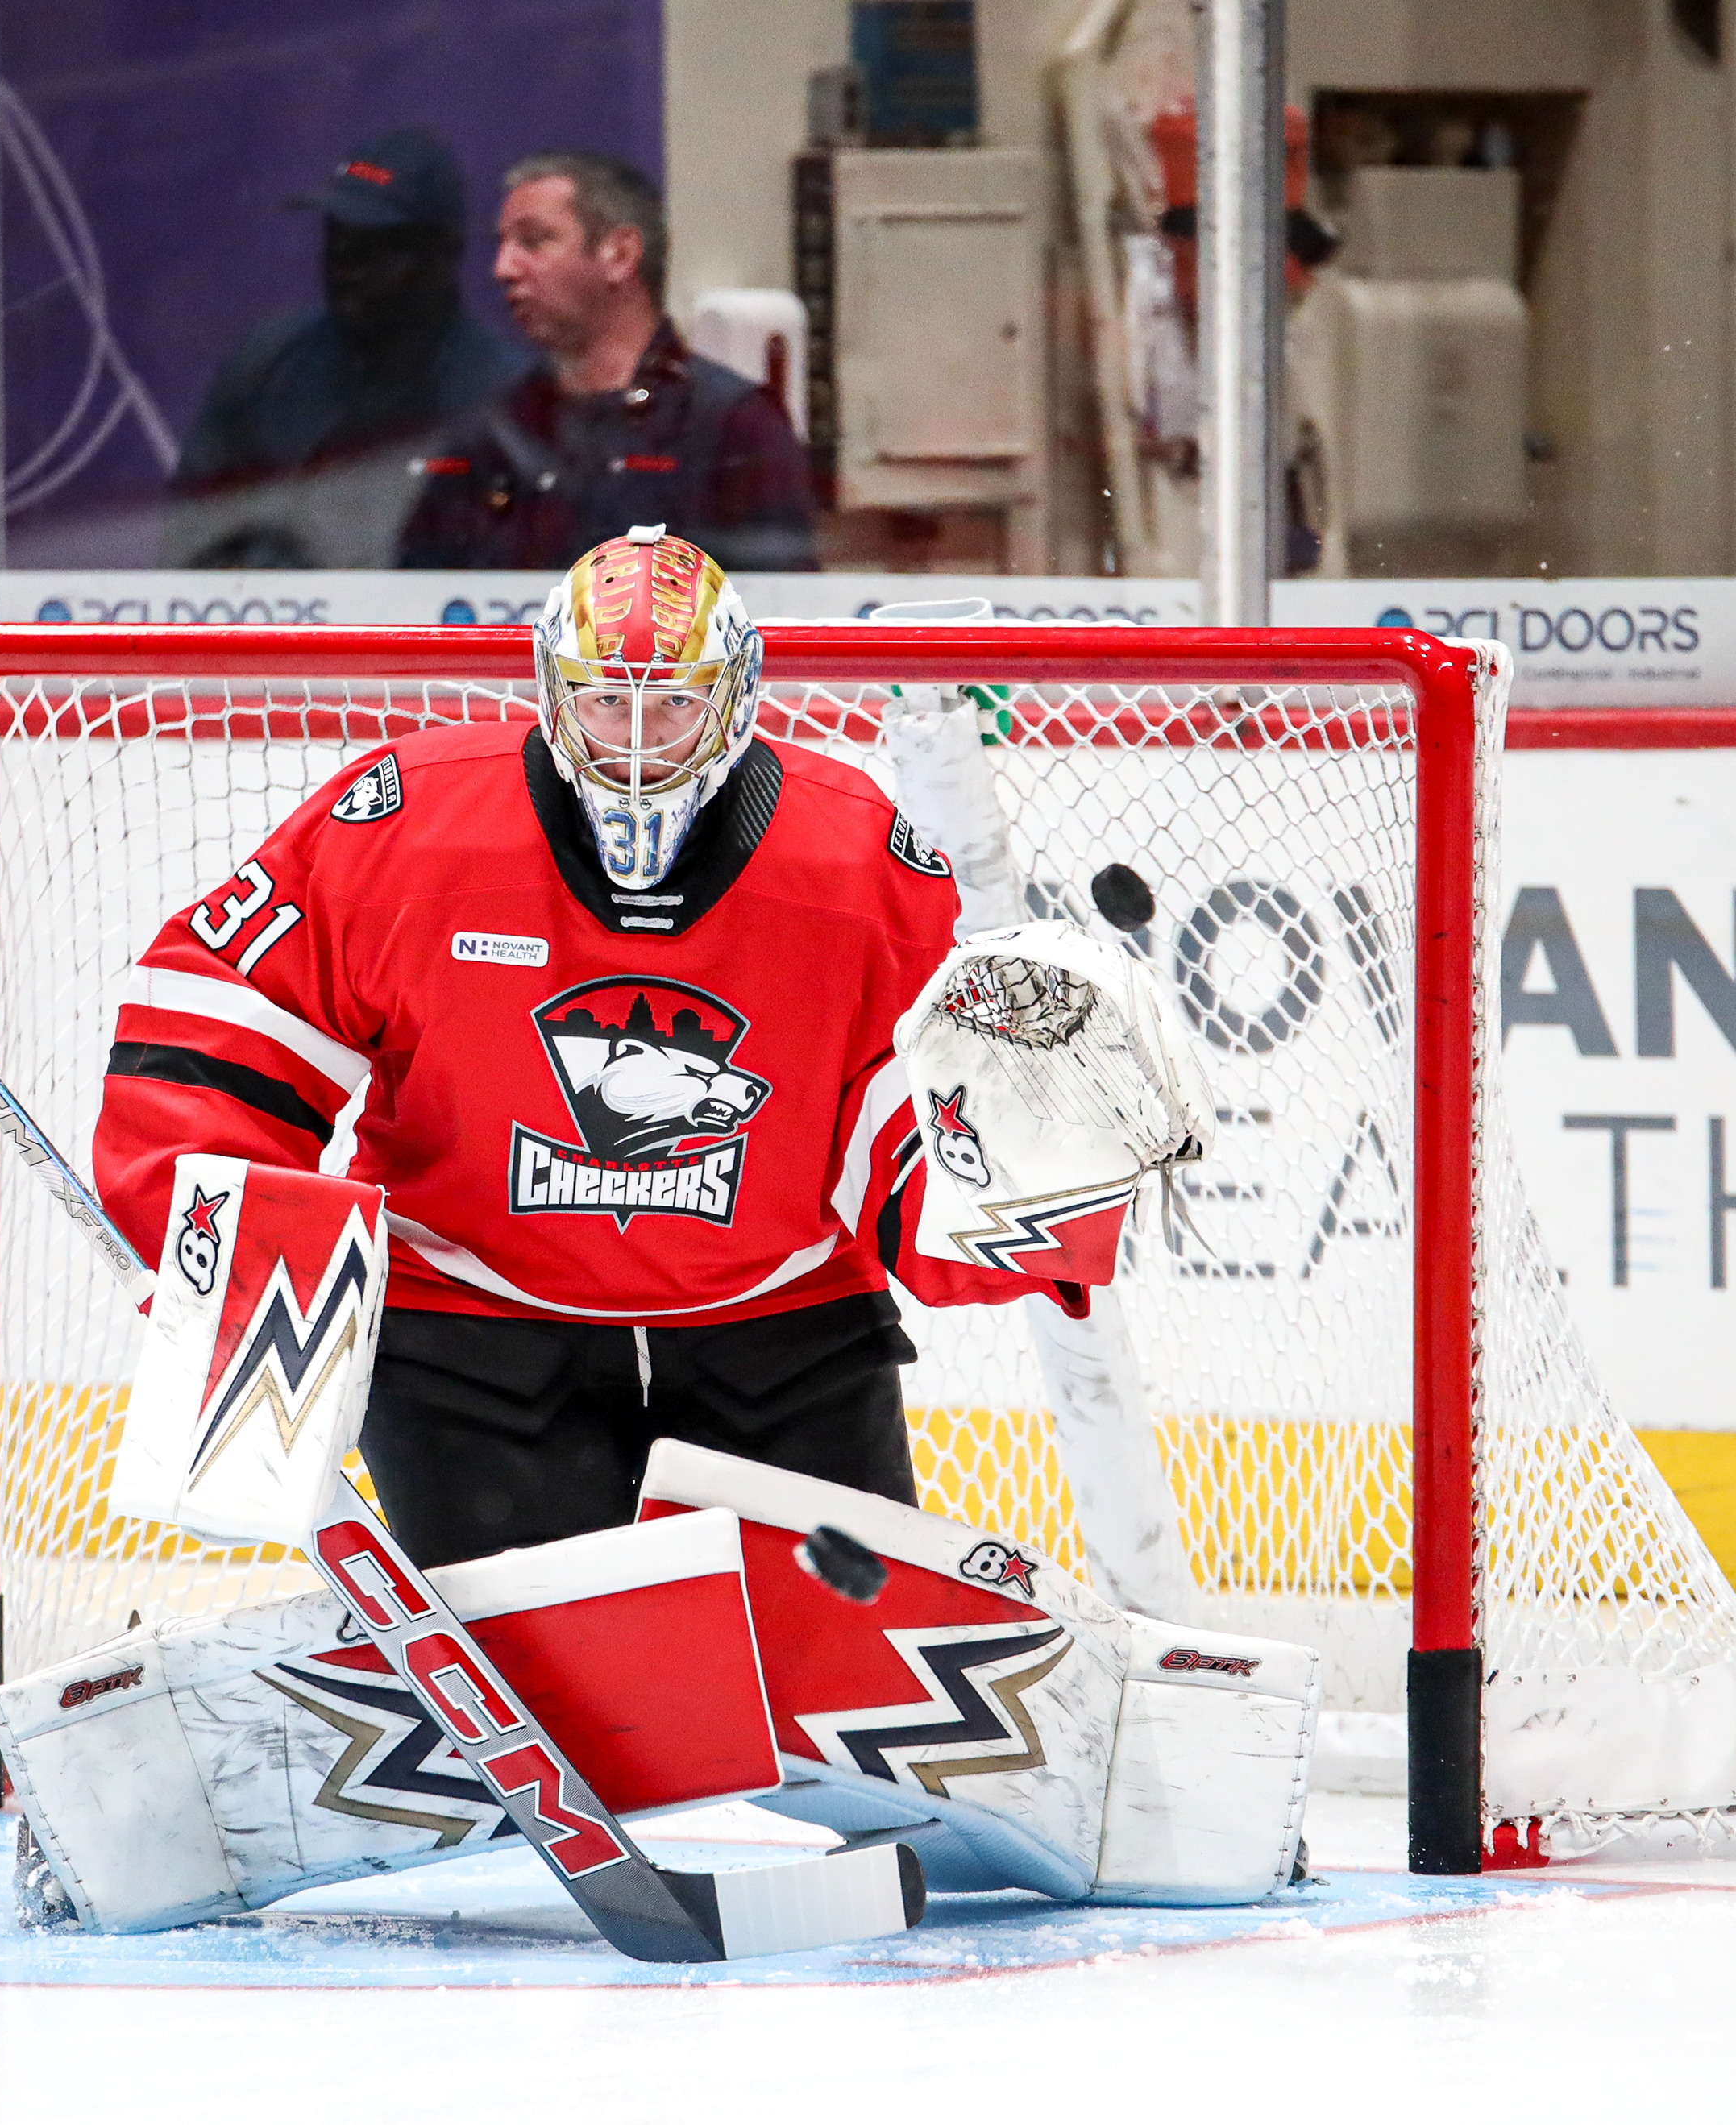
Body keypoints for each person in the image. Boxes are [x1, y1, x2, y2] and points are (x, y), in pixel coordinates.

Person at [89, 530, 1056, 1567]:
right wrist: (222, 1247)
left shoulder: (855, 858)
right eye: (604, 701)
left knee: (835, 1660)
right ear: (553, 691)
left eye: (673, 702)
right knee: (517, 1667)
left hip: (784, 1336)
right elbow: (222, 1015)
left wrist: (1038, 1188)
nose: (636, 738)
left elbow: (925, 1146)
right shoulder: (409, 828)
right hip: (469, 1340)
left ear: (735, 698)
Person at [395, 152, 817, 574]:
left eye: (533, 241)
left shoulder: (732, 427)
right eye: (502, 244)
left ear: (619, 255)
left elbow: (776, 604)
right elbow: (419, 595)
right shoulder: (499, 429)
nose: (502, 269)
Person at [160, 127, 527, 569]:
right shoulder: (266, 370)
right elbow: (188, 546)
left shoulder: (510, 400)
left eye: (375, 250)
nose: (347, 269)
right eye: (338, 243)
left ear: (443, 255)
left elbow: (527, 575)